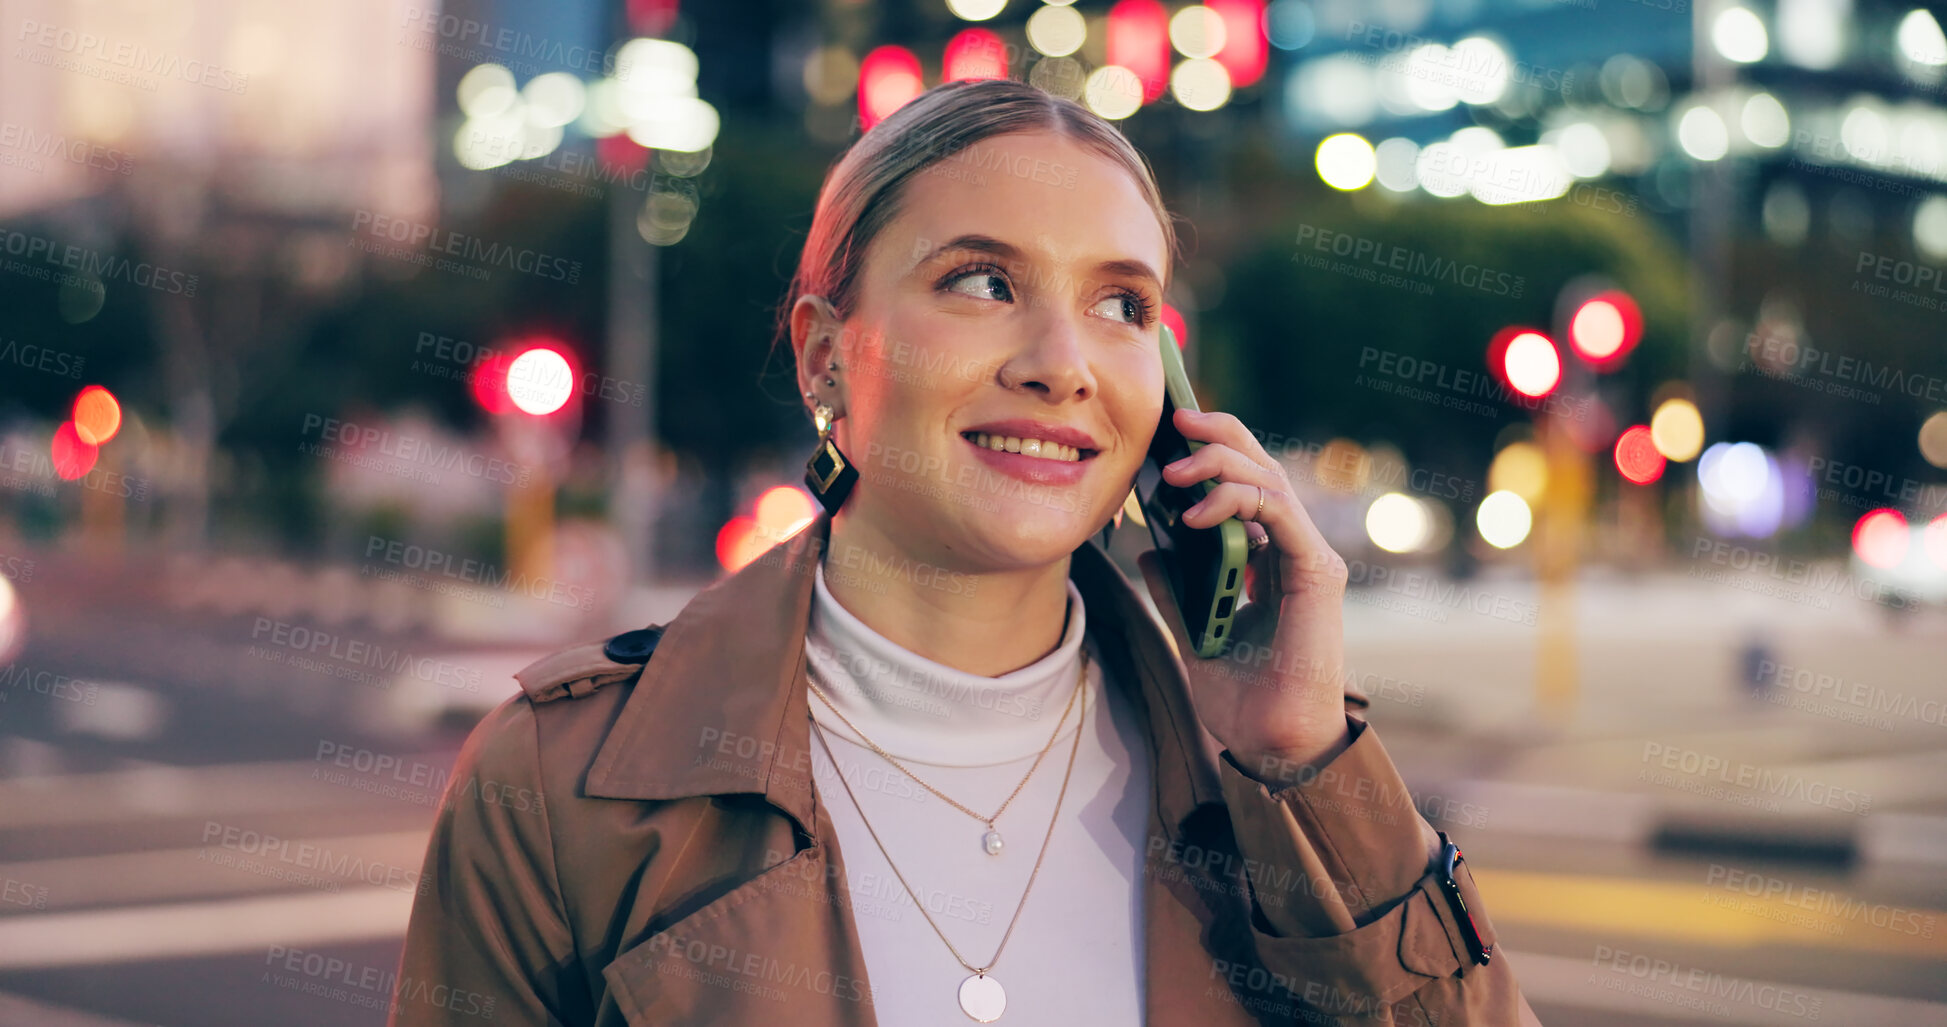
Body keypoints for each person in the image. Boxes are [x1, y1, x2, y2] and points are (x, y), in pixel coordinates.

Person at [390, 77, 1539, 1026]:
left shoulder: (1265, 787)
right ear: (825, 357)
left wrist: (1304, 761)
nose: (1063, 362)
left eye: (1124, 305)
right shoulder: (557, 782)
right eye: (983, 282)